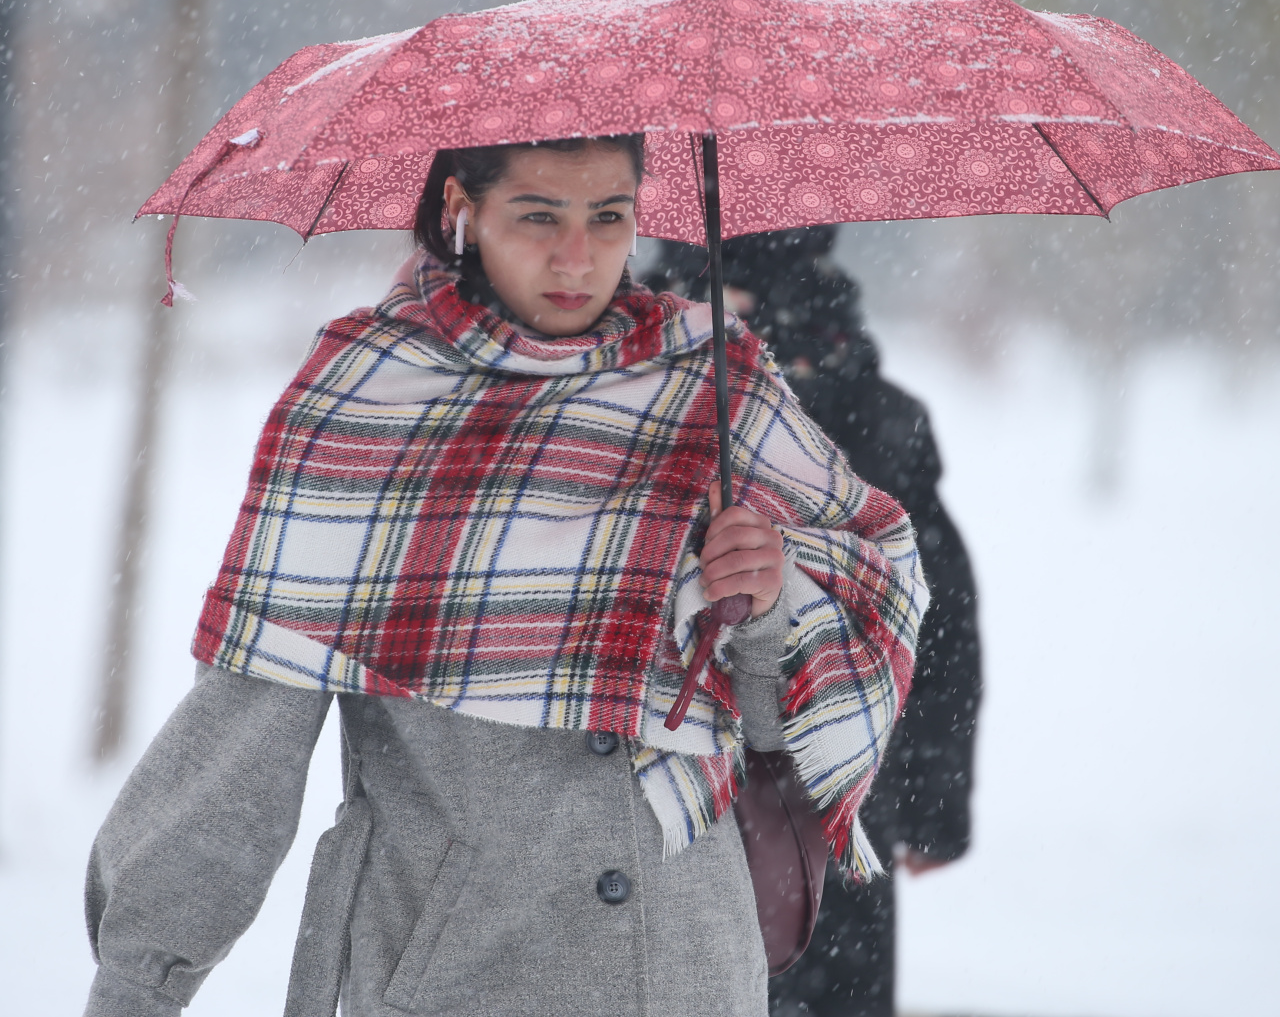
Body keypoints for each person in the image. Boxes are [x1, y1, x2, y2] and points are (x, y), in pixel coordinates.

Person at [82, 137, 929, 1017]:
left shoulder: (714, 387)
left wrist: (767, 600)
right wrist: (140, 984)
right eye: (539, 216)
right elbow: (235, 761)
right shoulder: (365, 403)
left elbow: (769, 732)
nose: (579, 256)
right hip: (457, 978)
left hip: (689, 976)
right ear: (463, 205)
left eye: (609, 216)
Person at [648, 229, 981, 1017]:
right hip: (815, 771)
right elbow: (943, 617)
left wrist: (934, 807)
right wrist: (934, 808)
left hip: (785, 774)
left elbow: (935, 613)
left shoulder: (652, 377)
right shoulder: (870, 404)